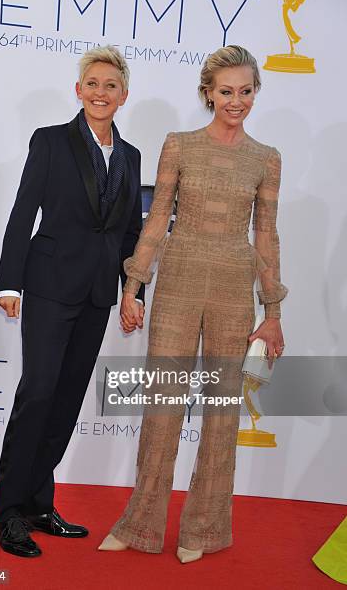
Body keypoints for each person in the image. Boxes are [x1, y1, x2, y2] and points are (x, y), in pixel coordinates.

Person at [99, 45, 287, 563]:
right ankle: (141, 525)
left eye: (246, 91)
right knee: (162, 409)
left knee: (222, 415)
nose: (236, 101)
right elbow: (156, 219)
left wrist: (272, 312)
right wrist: (134, 285)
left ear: (255, 93)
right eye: (226, 91)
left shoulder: (266, 158)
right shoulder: (178, 145)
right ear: (208, 93)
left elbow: (266, 236)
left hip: (233, 287)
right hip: (178, 281)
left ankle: (202, 530)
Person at [0, 45, 144, 557]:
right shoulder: (50, 142)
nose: (101, 93)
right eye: (92, 84)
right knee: (37, 395)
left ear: (123, 95)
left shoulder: (131, 156)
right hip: (50, 287)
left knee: (66, 401)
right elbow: (22, 214)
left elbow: (128, 235)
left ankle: (37, 503)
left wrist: (132, 293)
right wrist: (9, 283)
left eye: (111, 85)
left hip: (98, 294)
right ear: (79, 90)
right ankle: (6, 514)